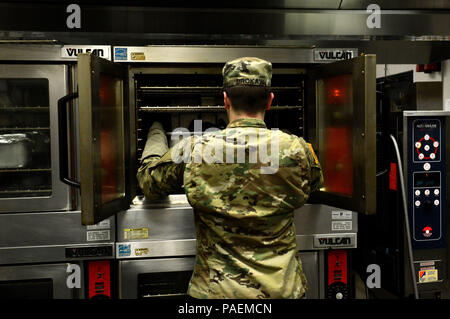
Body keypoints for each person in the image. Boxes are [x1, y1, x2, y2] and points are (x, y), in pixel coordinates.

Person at [137, 57, 323, 299]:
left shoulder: (194, 149)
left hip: (216, 293)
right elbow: (316, 185)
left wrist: (156, 131)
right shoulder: (298, 150)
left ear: (225, 100)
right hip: (282, 292)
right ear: (270, 100)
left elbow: (149, 181)